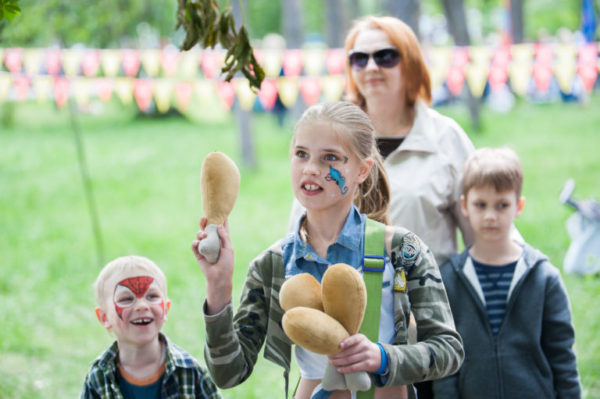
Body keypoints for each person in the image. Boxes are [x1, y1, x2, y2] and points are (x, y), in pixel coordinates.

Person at [192, 101, 464, 399]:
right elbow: (228, 373)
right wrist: (218, 287)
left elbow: (448, 350)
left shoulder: (401, 249)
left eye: (330, 158)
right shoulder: (273, 264)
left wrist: (382, 357)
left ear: (362, 170)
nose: (311, 169)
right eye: (301, 154)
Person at [290, 16, 475, 268]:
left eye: (386, 56)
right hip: (338, 300)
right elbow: (298, 230)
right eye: (359, 58)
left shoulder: (445, 137)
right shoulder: (327, 135)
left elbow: (483, 233)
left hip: (422, 299)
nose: (371, 67)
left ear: (410, 64)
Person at [433, 147, 581, 398]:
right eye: (481, 205)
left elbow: (563, 357)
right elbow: (445, 363)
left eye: (502, 205)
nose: (491, 216)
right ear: (464, 206)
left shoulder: (544, 278)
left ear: (519, 206)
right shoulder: (449, 279)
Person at [81, 255, 221, 399]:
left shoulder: (190, 372)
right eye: (126, 299)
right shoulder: (99, 377)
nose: (142, 306)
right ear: (104, 318)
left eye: (152, 296)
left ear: (166, 309)